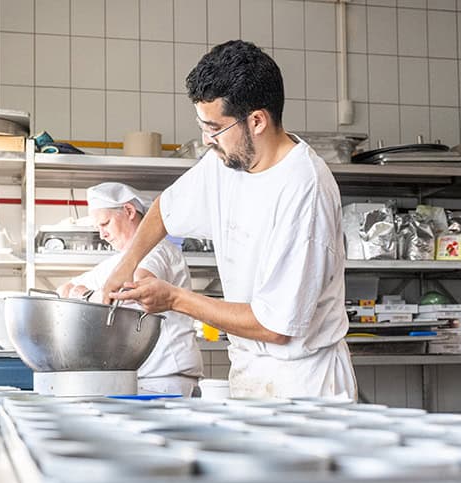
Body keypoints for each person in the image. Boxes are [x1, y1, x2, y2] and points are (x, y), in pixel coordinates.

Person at [102, 40, 357, 400]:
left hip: (304, 385)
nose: (207, 140)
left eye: (215, 128)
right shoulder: (226, 162)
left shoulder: (304, 190)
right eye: (202, 126)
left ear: (256, 121)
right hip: (250, 373)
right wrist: (124, 265)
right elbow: (164, 208)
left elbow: (275, 327)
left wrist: (175, 299)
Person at [58, 182, 203, 397]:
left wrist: (87, 295)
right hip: (137, 375)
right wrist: (87, 293)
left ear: (128, 211)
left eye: (105, 223)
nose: (102, 235)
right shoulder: (115, 263)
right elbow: (64, 288)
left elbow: (136, 287)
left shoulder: (159, 250)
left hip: (166, 376)